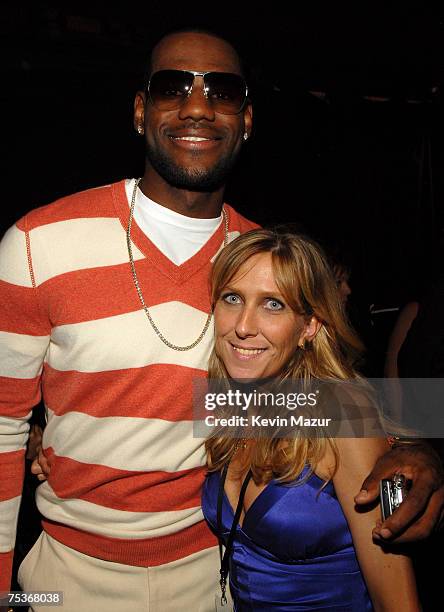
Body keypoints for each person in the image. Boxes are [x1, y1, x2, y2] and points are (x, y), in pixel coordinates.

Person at [0, 26, 442, 611]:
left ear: (248, 120)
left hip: (212, 576)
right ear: (140, 111)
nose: (198, 107)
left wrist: (420, 448)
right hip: (69, 579)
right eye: (172, 86)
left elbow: (321, 398)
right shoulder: (38, 243)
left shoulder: (260, 261)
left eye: (224, 92)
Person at [202, 228, 420, 610]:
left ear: (309, 326)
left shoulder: (342, 411)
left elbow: (397, 601)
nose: (243, 326)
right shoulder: (231, 401)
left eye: (273, 305)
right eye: (232, 298)